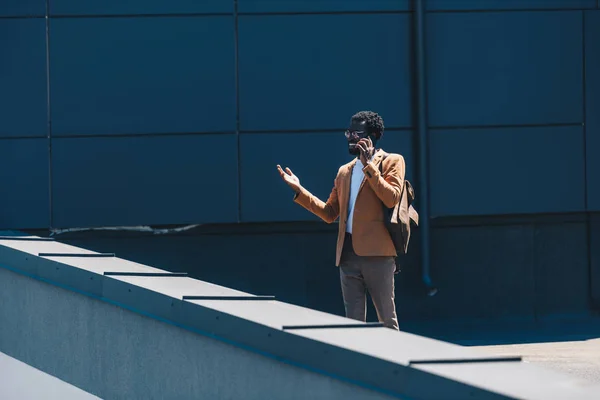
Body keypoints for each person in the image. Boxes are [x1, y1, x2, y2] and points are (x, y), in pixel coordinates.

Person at [277, 110, 405, 330]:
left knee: (387, 322)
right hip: (347, 257)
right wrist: (299, 190)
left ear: (372, 135)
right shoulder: (344, 172)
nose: (351, 138)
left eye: (357, 133)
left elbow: (391, 198)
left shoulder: (392, 161)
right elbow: (329, 213)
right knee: (352, 326)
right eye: (349, 133)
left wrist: (369, 166)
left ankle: (393, 364)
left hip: (378, 255)